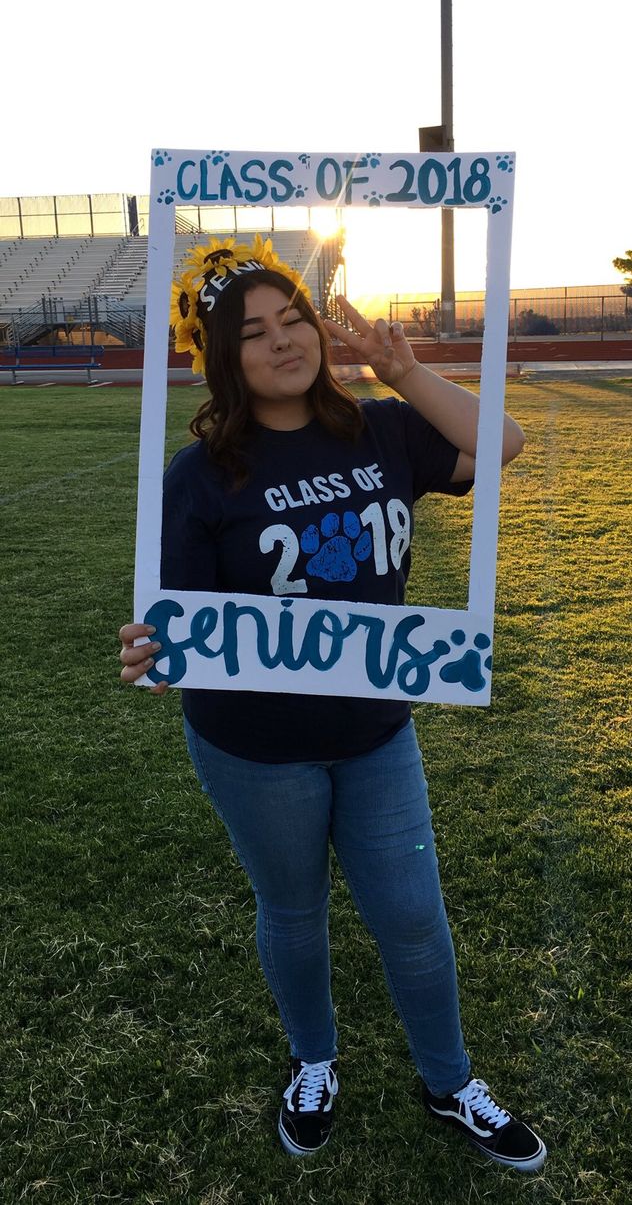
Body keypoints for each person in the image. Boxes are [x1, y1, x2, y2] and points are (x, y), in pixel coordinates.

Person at [119, 235, 546, 1171]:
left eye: (294, 321)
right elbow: (176, 629)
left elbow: (501, 444)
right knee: (295, 913)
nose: (283, 343)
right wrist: (151, 646)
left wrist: (405, 369)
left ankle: (450, 1081)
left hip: (376, 733)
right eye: (254, 333)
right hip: (254, 747)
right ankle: (315, 1062)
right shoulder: (200, 478)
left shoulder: (381, 428)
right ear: (223, 359)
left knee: (413, 920)